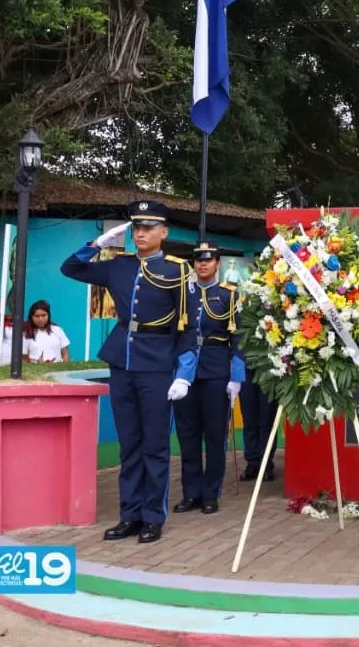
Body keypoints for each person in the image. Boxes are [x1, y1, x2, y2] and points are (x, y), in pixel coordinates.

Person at [60, 200, 198, 544]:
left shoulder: (178, 271)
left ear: (164, 232)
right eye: (136, 227)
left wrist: (184, 374)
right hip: (122, 360)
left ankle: (153, 517)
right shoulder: (118, 266)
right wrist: (98, 245)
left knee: (154, 445)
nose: (140, 233)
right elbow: (70, 270)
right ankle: (130, 515)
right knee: (129, 444)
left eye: (148, 228)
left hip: (157, 364)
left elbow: (190, 328)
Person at [174, 242, 245, 515]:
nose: (202, 264)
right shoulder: (183, 294)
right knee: (187, 433)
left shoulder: (229, 294)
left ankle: (210, 493)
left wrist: (236, 377)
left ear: (217, 263)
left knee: (215, 435)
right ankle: (191, 493)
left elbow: (239, 338)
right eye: (198, 260)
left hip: (217, 368)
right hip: (185, 371)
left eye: (209, 260)